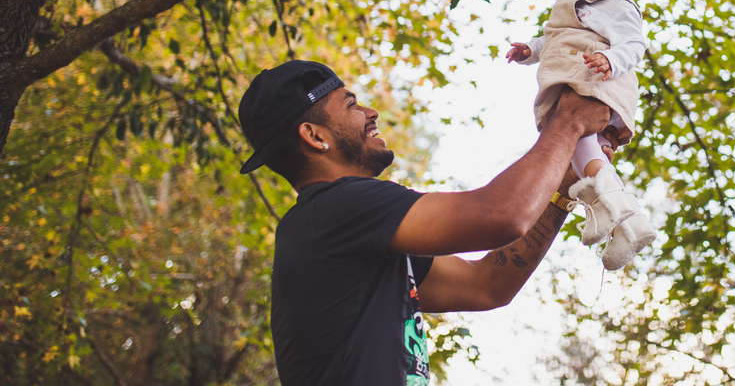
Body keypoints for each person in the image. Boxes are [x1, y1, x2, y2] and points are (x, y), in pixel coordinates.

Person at [237, 59, 614, 386]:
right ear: (314, 136)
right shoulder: (337, 208)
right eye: (351, 104)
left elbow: (488, 286)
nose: (371, 113)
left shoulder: (344, 230)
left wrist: (566, 185)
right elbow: (503, 214)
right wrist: (568, 122)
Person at [506, 0, 657, 270]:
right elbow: (559, 37)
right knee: (581, 152)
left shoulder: (619, 5)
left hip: (595, 77)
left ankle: (608, 205)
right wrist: (531, 49)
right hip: (577, 76)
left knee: (576, 139)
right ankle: (625, 223)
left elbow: (634, 45)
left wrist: (610, 58)